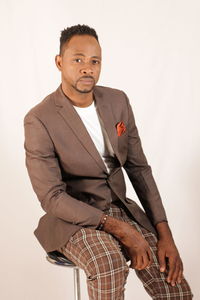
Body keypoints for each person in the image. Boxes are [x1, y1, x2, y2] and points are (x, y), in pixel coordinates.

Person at [24, 24, 193, 299]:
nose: (87, 68)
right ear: (59, 62)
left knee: (172, 281)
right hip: (74, 218)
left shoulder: (117, 101)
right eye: (77, 59)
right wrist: (118, 228)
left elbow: (139, 170)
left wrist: (165, 234)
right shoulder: (39, 119)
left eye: (94, 61)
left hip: (120, 208)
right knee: (109, 263)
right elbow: (52, 197)